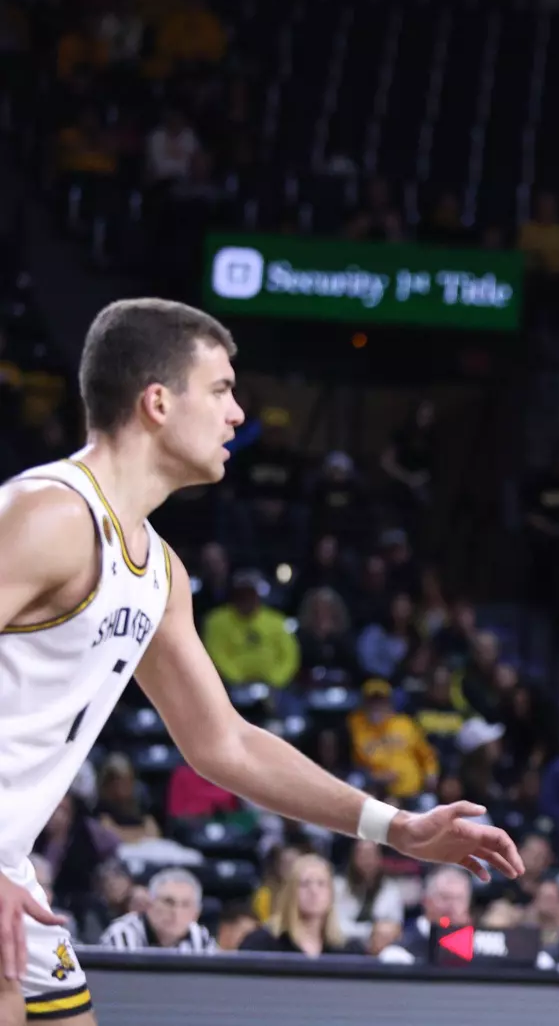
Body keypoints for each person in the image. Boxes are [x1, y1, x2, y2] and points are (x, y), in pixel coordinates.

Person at [0, 299, 524, 1025]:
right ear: (157, 401)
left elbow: (228, 744)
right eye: (220, 390)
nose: (240, 414)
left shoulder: (160, 574)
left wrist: (396, 827)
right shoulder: (49, 515)